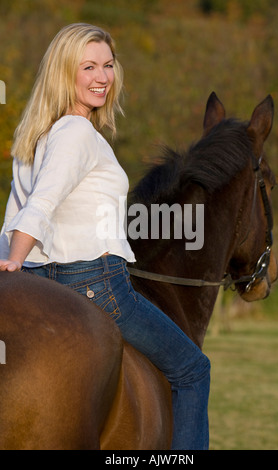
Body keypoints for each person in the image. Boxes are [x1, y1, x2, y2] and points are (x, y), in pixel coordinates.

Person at [0, 23, 210, 450]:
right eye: (89, 67)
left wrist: (10, 268)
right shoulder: (78, 133)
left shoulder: (34, 136)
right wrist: (14, 259)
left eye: (109, 65)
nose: (102, 77)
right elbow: (39, 204)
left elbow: (13, 213)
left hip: (40, 281)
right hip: (97, 285)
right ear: (64, 74)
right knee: (193, 370)